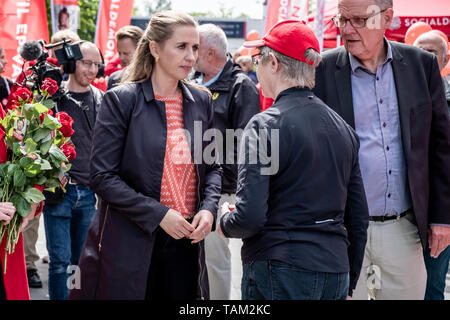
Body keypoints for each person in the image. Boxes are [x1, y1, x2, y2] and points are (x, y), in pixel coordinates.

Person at [69, 11, 221, 300]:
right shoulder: (122, 99)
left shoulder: (201, 100)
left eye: (195, 47)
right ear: (154, 49)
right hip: (132, 241)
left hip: (187, 240)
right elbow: (101, 177)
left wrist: (209, 209)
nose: (191, 56)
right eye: (181, 47)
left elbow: (213, 167)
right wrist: (159, 214)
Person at [218, 20, 369, 300]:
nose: (256, 70)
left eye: (257, 61)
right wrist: (349, 282)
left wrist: (226, 221)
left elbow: (250, 216)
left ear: (273, 63)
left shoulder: (264, 125)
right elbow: (358, 218)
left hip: (279, 267)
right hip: (334, 269)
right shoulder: (343, 128)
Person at [313, 0, 450, 300]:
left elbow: (441, 147)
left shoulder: (421, 66)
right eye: (342, 19)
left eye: (359, 20)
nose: (347, 29)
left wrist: (442, 217)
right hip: (343, 232)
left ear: (387, 18)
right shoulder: (322, 71)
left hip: (404, 228)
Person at [193, 23, 260, 300]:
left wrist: (217, 177)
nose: (189, 54)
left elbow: (247, 145)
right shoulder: (194, 81)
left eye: (194, 48)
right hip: (194, 184)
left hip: (221, 190)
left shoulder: (240, 86)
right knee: (197, 262)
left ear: (209, 53)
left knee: (214, 261)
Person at [42, 41, 104, 300]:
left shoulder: (102, 99)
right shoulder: (52, 101)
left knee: (79, 262)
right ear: (70, 63)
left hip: (89, 194)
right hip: (59, 192)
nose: (92, 69)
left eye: (96, 65)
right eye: (86, 63)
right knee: (59, 263)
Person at [21, 29, 81, 290]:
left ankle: (73, 289)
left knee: (71, 256)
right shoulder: (36, 75)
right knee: (31, 215)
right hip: (39, 155)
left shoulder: (84, 82)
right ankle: (29, 263)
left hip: (75, 175)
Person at [413, 30, 450, 300]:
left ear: (445, 58)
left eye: (432, 52)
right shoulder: (399, 94)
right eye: (420, 50)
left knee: (432, 284)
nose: (425, 57)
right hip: (404, 209)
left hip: (440, 210)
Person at [107, 25, 144, 90]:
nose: (121, 58)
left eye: (125, 53)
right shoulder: (114, 79)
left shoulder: (154, 78)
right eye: (119, 53)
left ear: (140, 50)